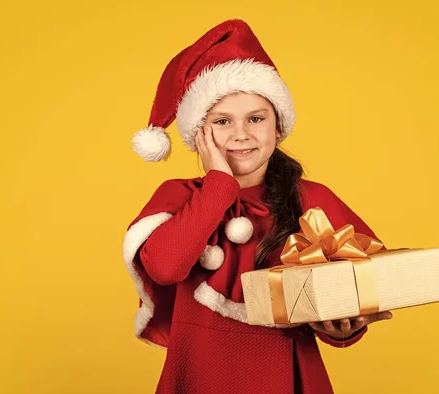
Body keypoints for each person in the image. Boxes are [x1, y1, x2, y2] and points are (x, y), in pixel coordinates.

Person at [123, 19, 392, 394]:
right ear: (199, 134)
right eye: (221, 121)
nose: (241, 134)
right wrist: (219, 185)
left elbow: (367, 285)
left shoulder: (311, 200)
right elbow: (166, 268)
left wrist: (344, 327)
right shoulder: (178, 196)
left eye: (256, 118)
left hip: (287, 374)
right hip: (199, 374)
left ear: (278, 127)